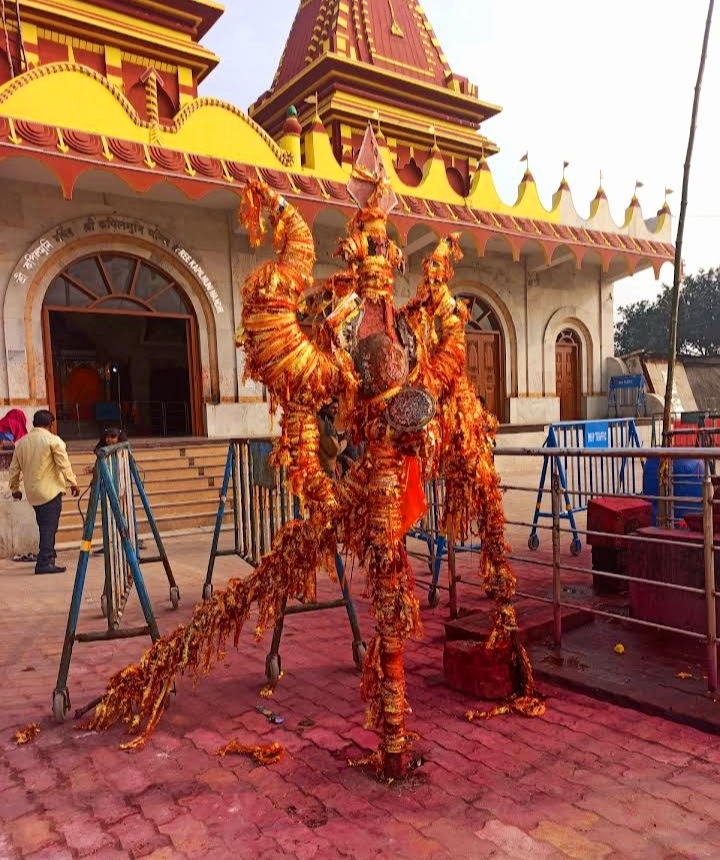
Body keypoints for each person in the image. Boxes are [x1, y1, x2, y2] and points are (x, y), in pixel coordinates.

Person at [8, 410, 80, 575]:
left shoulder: (22, 443)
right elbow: (64, 464)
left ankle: (49, 555)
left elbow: (14, 469)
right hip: (50, 492)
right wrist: (73, 482)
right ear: (51, 424)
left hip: (33, 493)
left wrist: (15, 489)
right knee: (49, 527)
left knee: (44, 525)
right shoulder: (53, 440)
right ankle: (44, 562)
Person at [317, 398, 347, 479]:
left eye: (337, 408)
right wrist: (345, 441)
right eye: (333, 408)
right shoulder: (324, 424)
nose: (336, 411)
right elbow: (334, 449)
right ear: (325, 408)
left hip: (328, 467)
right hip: (327, 470)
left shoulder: (325, 421)